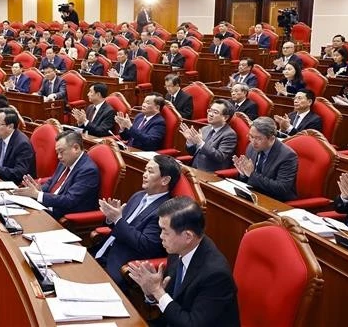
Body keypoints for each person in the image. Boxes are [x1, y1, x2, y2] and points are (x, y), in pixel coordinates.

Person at [126, 196, 240, 327]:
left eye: (165, 231)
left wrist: (157, 291)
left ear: (188, 236)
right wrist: (151, 294)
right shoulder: (178, 250)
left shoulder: (215, 275)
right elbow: (171, 301)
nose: (161, 237)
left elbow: (192, 324)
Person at [93, 155, 180, 290]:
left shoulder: (165, 211)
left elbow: (146, 245)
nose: (144, 175)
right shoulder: (138, 196)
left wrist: (118, 219)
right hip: (100, 252)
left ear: (165, 180)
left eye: (150, 172)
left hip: (119, 265)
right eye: (145, 170)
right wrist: (111, 219)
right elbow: (119, 228)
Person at [15, 130, 99, 219]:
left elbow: (69, 200)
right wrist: (39, 189)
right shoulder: (65, 162)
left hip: (60, 216)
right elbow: (52, 182)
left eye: (61, 151)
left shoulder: (88, 171)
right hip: (46, 207)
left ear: (76, 148)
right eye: (57, 152)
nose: (59, 156)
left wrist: (38, 195)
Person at [232, 117, 298, 201]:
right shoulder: (251, 147)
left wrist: (251, 175)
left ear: (271, 138)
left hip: (275, 201)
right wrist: (243, 174)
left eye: (258, 138)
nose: (253, 141)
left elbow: (281, 188)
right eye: (251, 136)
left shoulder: (287, 156)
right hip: (254, 195)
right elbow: (248, 179)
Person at [180, 99, 237, 172]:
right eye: (210, 110)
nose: (210, 114)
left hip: (210, 173)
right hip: (193, 168)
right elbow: (192, 152)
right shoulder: (205, 129)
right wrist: (191, 141)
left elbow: (220, 157)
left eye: (215, 112)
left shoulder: (229, 134)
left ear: (225, 117)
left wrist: (201, 143)